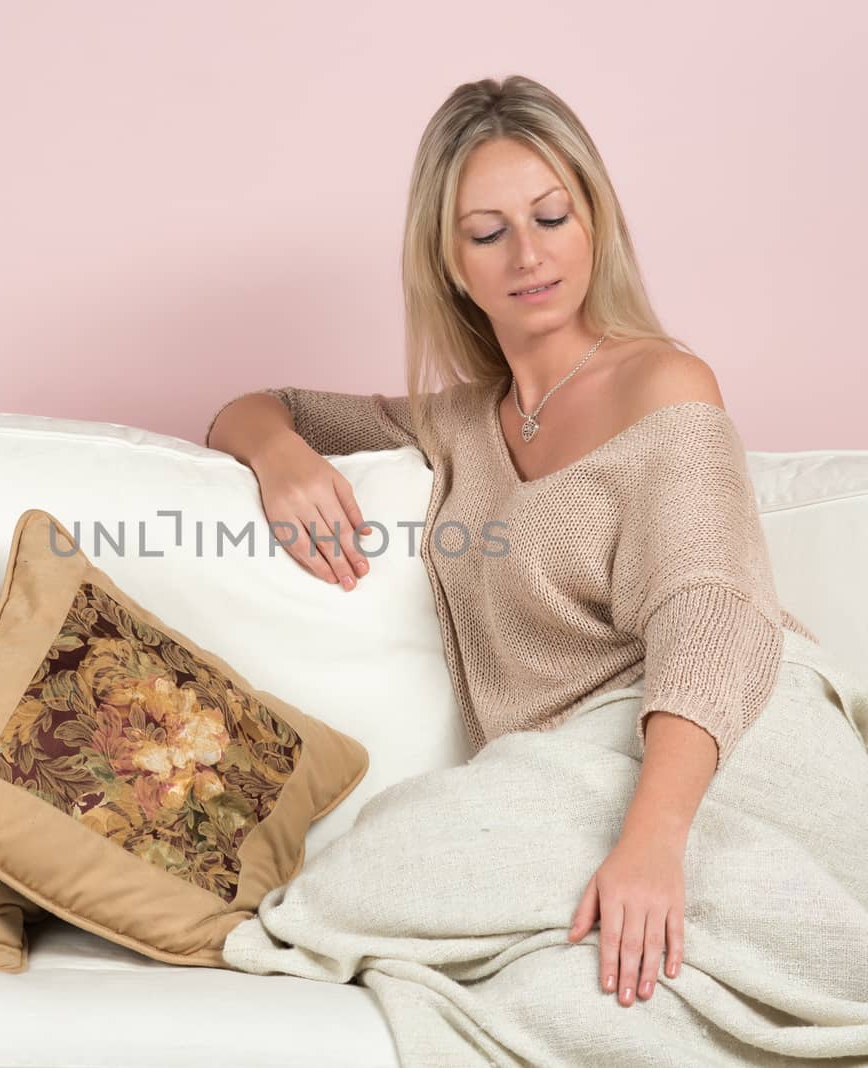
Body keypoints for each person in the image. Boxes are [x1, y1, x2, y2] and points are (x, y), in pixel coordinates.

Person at [202, 74, 831, 1013]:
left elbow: (710, 617)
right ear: (448, 260)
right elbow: (263, 409)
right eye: (489, 233)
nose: (528, 256)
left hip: (724, 738)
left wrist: (652, 843)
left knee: (387, 887)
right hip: (568, 770)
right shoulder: (457, 421)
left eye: (550, 217)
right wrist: (278, 456)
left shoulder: (664, 383)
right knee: (394, 872)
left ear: (595, 223)